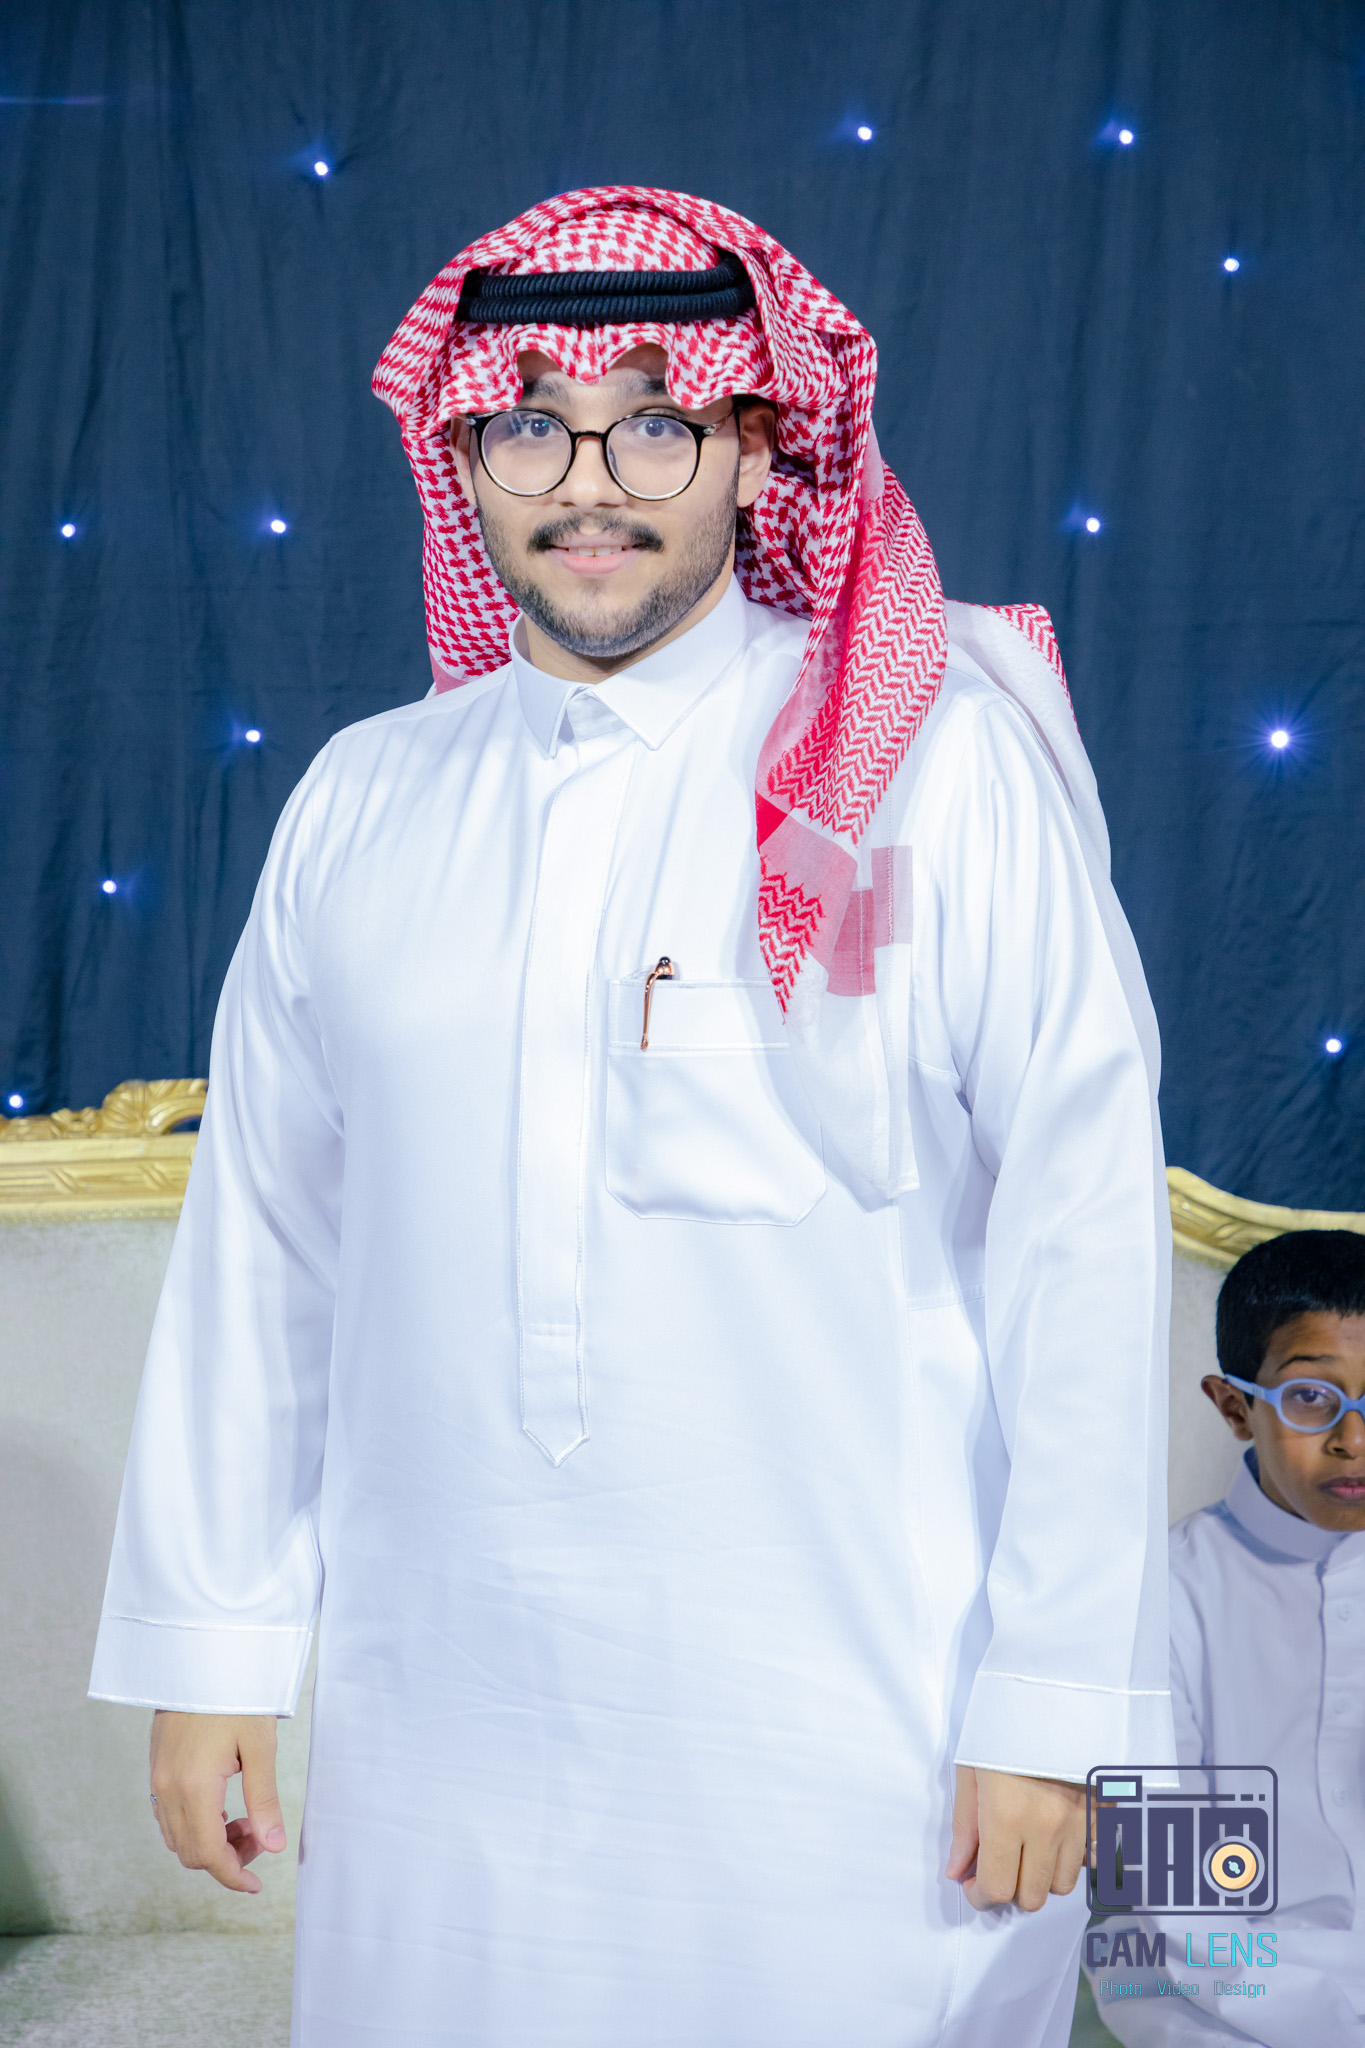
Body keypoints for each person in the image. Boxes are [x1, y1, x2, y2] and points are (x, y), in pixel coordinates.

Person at [90, 187, 1174, 2047]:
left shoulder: (939, 766)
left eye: (654, 424)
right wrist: (213, 1652)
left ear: (755, 442)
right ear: (462, 456)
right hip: (446, 1748)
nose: (589, 486)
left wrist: (1056, 1700)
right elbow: (264, 1255)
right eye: (532, 426)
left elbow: (1079, 1244)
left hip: (860, 1748)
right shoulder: (362, 801)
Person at [1085, 1229, 1365, 2045]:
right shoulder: (1157, 1606)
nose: (1352, 1438)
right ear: (1233, 1407)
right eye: (1310, 1396)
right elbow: (1165, 1915)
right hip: (1216, 2021)